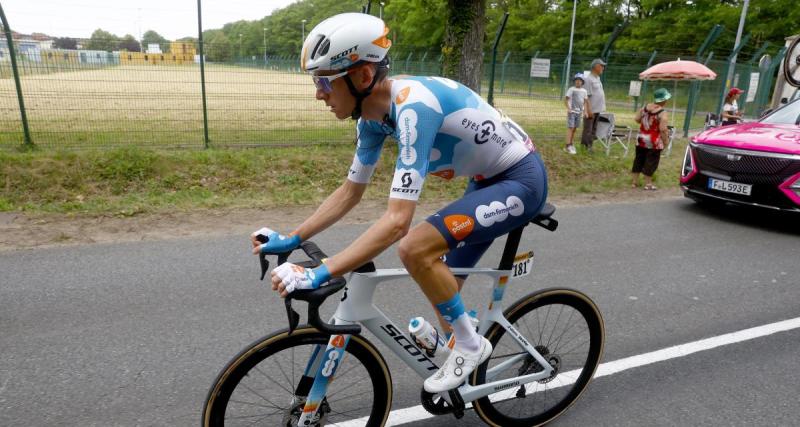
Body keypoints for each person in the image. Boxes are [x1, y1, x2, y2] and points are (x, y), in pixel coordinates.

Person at [256, 13, 548, 394]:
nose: (318, 94)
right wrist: (293, 238)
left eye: (324, 81)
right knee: (442, 289)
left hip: (519, 180)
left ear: (362, 77)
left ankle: (472, 346)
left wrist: (320, 271)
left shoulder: (415, 110)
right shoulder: (372, 120)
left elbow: (397, 223)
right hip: (485, 182)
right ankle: (467, 351)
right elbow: (350, 193)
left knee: (414, 249)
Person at [631, 88, 671, 190]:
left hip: (641, 139)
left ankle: (634, 182)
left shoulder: (645, 108)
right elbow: (663, 129)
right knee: (651, 161)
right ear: (664, 100)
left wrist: (646, 122)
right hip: (654, 141)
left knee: (639, 159)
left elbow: (637, 119)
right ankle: (648, 184)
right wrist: (666, 141)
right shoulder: (662, 113)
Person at [580, 58, 607, 151]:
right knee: (588, 128)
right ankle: (585, 146)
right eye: (601, 66)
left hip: (597, 109)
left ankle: (590, 146)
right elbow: (586, 96)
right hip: (591, 109)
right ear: (596, 67)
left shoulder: (597, 78)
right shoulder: (588, 79)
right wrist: (588, 110)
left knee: (594, 129)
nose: (603, 68)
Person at [564, 73, 589, 154]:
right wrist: (568, 109)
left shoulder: (584, 91)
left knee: (574, 129)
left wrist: (585, 111)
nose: (578, 82)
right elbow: (566, 99)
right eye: (576, 80)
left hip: (579, 113)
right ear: (574, 81)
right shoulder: (571, 89)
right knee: (570, 128)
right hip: (572, 112)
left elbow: (585, 102)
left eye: (580, 80)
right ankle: (567, 145)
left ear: (582, 82)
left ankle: (571, 143)